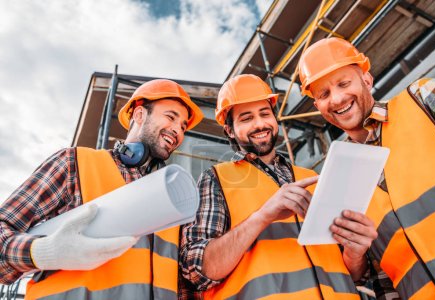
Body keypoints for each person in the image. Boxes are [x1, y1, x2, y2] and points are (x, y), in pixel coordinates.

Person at [0, 79, 204, 299]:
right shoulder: (74, 163)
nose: (177, 130)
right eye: (171, 117)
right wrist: (43, 252)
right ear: (139, 115)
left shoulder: (174, 203)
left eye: (183, 126)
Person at [180, 74, 379, 299]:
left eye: (265, 114)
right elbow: (195, 271)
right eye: (246, 118)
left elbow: (356, 276)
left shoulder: (312, 177)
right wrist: (264, 215)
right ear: (230, 130)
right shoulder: (216, 179)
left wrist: (356, 254)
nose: (260, 124)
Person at [298, 37, 435, 299]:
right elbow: (372, 279)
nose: (337, 98)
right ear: (318, 107)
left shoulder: (423, 98)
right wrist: (354, 257)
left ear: (366, 80)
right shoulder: (338, 178)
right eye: (323, 94)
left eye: (344, 83)